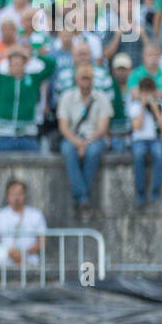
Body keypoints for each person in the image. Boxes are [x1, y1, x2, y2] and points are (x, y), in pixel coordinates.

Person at [56, 62, 113, 212]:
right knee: (68, 150)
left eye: (88, 78)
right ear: (77, 79)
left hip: (94, 137)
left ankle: (80, 196)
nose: (85, 81)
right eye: (83, 78)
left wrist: (86, 143)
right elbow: (63, 126)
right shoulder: (67, 97)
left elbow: (102, 128)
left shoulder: (101, 98)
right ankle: (83, 196)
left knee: (93, 151)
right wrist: (77, 142)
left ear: (93, 80)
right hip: (73, 137)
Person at [0, 179, 48, 270]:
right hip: (4, 265)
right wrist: (8, 253)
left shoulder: (36, 215)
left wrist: (23, 253)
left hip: (30, 264)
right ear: (7, 196)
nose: (16, 197)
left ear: (25, 195)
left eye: (19, 194)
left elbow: (42, 242)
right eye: (13, 194)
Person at [129, 77, 162, 207]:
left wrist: (155, 110)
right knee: (138, 154)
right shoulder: (134, 105)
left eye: (150, 92)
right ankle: (140, 193)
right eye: (144, 92)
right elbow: (136, 127)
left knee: (158, 153)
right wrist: (142, 107)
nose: (147, 95)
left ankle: (155, 191)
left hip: (156, 139)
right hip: (139, 140)